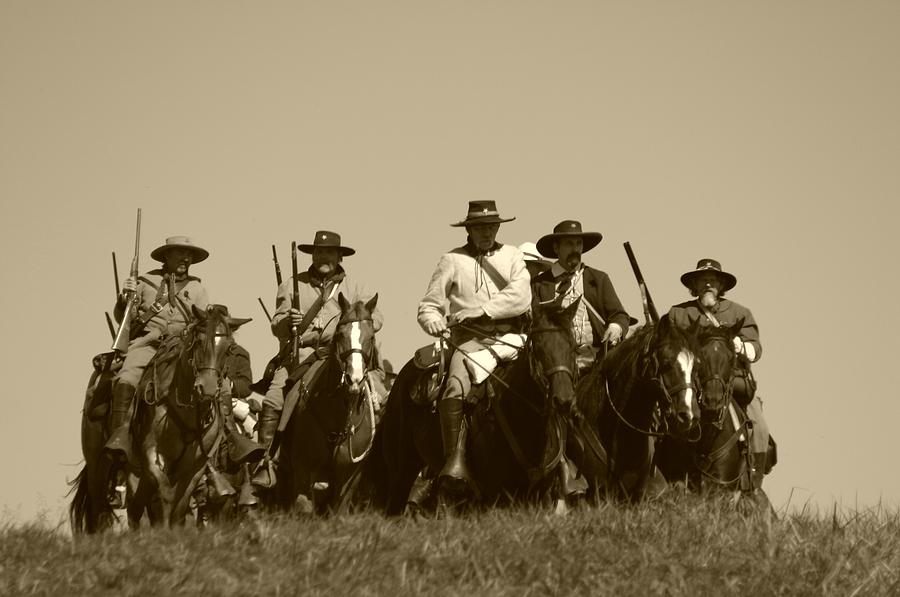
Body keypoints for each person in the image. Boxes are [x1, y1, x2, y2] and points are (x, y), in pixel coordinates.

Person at [104, 237, 263, 465]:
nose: (185, 259)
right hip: (149, 343)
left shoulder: (198, 289)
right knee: (127, 375)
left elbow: (203, 324)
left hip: (182, 346)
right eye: (180, 253)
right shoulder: (144, 282)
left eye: (188, 255)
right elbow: (124, 319)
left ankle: (231, 435)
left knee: (215, 380)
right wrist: (124, 299)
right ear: (166, 257)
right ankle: (120, 435)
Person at [253, 230, 383, 487]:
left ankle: (378, 458)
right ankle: (266, 462)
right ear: (313, 254)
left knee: (381, 397)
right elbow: (276, 324)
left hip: (341, 352)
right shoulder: (291, 285)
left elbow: (376, 318)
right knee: (274, 398)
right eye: (320, 251)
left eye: (330, 252)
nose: (324, 256)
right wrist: (288, 322)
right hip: (301, 353)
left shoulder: (355, 286)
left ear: (339, 256)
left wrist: (357, 323)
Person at [418, 200, 532, 490]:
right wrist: (432, 320)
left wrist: (482, 310)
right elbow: (429, 305)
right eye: (480, 227)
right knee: (454, 387)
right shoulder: (452, 260)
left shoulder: (513, 255)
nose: (487, 232)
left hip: (513, 339)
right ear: (469, 229)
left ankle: (561, 461)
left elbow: (521, 295)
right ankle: (454, 462)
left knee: (552, 380)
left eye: (491, 226)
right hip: (469, 342)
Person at [666, 258, 775, 485]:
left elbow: (756, 349)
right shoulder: (678, 314)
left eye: (713, 280)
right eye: (702, 280)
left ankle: (751, 481)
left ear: (721, 286)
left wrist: (740, 347)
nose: (708, 284)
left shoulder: (740, 313)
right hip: (690, 383)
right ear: (694, 286)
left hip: (734, 382)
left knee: (760, 427)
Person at [531, 220, 632, 371]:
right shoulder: (539, 284)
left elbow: (620, 315)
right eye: (569, 244)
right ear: (556, 247)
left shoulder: (598, 278)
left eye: (578, 243)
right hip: (557, 364)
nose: (575, 249)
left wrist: (616, 327)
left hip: (598, 360)